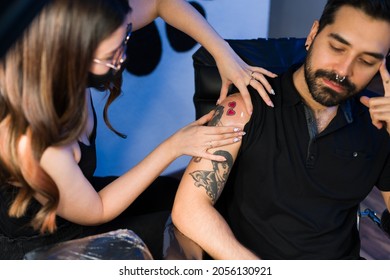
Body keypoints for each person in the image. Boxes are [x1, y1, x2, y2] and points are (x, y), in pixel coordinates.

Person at [0, 0, 278, 260]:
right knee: (179, 236)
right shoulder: (36, 137)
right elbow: (98, 209)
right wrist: (173, 146)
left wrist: (222, 53)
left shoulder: (93, 19)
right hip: (39, 240)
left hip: (79, 196)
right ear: (70, 54)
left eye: (126, 39)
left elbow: (161, 3)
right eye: (111, 56)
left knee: (174, 195)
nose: (121, 59)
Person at [172, 0, 390, 259]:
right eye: (337, 47)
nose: (343, 70)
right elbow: (189, 208)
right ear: (313, 34)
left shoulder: (378, 126)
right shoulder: (246, 106)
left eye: (365, 61)